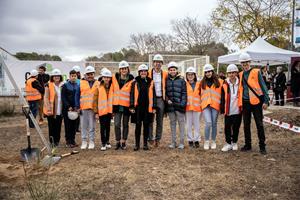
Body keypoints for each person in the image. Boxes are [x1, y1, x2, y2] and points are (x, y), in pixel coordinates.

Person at [238, 53, 269, 155]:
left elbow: (263, 86)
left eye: (246, 62)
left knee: (259, 124)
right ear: (241, 64)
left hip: (256, 102)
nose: (245, 64)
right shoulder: (241, 74)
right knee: (246, 125)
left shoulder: (256, 72)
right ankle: (248, 144)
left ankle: (262, 146)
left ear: (249, 62)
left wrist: (266, 100)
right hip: (245, 102)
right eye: (243, 63)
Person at [129, 64, 156, 151]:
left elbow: (154, 95)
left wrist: (154, 107)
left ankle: (145, 144)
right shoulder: (135, 82)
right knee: (138, 126)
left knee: (146, 126)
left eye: (145, 71)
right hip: (138, 108)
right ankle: (137, 145)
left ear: (147, 72)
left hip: (148, 108)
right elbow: (132, 95)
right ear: (139, 72)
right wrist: (132, 106)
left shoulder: (151, 82)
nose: (143, 72)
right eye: (142, 71)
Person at [200, 64, 223, 150]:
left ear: (212, 72)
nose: (208, 73)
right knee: (208, 123)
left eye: (209, 71)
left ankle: (213, 141)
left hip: (215, 105)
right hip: (206, 105)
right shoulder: (202, 83)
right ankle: (206, 141)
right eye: (206, 72)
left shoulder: (220, 82)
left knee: (214, 124)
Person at [112, 60, 134, 150]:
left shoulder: (132, 79)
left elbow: (133, 93)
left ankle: (124, 141)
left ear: (128, 69)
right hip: (117, 106)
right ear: (119, 70)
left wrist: (132, 106)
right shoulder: (114, 78)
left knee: (125, 124)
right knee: (117, 124)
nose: (124, 70)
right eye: (122, 69)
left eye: (125, 68)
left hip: (126, 106)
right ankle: (117, 141)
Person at [75, 66, 99, 150]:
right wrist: (77, 107)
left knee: (92, 126)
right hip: (83, 108)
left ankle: (91, 141)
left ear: (94, 74)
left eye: (91, 74)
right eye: (88, 74)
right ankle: (84, 141)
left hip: (93, 109)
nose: (90, 76)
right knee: (83, 126)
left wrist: (98, 110)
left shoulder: (97, 83)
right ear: (85, 75)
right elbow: (77, 95)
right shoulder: (81, 83)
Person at [220, 64, 242, 152]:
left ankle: (235, 142)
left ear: (236, 73)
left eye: (233, 72)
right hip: (228, 110)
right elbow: (222, 97)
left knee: (236, 127)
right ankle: (228, 143)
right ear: (227, 74)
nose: (232, 74)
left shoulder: (240, 83)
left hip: (238, 110)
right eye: (230, 73)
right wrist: (222, 109)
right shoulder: (224, 84)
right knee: (227, 128)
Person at [148, 54, 168, 147]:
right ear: (153, 63)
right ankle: (150, 138)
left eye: (159, 62)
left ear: (162, 64)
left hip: (160, 99)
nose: (157, 64)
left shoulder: (165, 73)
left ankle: (158, 139)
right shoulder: (148, 73)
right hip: (151, 99)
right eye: (156, 62)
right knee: (150, 120)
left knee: (159, 121)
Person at [166, 62, 187, 149]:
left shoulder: (182, 80)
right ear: (168, 71)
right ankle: (173, 142)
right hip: (171, 107)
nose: (172, 71)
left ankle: (181, 143)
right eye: (170, 70)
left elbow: (184, 93)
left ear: (176, 70)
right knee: (172, 124)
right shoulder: (166, 80)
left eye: (174, 70)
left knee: (181, 124)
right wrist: (167, 100)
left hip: (179, 106)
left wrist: (182, 104)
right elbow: (165, 92)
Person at [43, 69, 64, 147]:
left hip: (60, 110)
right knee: (51, 127)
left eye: (58, 76)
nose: (56, 77)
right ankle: (52, 142)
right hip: (51, 111)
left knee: (58, 127)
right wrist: (48, 109)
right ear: (52, 77)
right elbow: (46, 98)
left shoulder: (63, 85)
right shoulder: (48, 85)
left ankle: (57, 141)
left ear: (60, 76)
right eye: (55, 76)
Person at [95, 69, 113, 151]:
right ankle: (103, 143)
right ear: (102, 77)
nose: (106, 79)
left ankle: (107, 141)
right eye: (105, 77)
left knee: (108, 127)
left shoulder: (112, 86)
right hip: (102, 111)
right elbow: (95, 100)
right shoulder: (99, 87)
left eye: (108, 77)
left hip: (109, 111)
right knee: (103, 127)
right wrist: (96, 112)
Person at [62, 70, 80, 148]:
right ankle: (68, 141)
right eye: (72, 76)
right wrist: (68, 106)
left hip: (75, 108)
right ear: (69, 77)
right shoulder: (65, 85)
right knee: (68, 125)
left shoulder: (78, 85)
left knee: (74, 126)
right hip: (67, 109)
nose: (73, 77)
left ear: (77, 76)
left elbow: (79, 97)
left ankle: (73, 140)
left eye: (75, 76)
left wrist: (77, 106)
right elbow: (63, 97)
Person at [185, 67, 201, 148]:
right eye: (188, 74)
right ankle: (190, 140)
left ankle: (197, 140)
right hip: (188, 107)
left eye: (192, 74)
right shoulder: (184, 84)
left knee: (197, 124)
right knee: (188, 124)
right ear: (186, 75)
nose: (190, 76)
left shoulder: (199, 84)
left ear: (194, 75)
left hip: (197, 107)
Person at [72, 65, 81, 132]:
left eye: (78, 72)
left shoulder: (80, 81)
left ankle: (76, 128)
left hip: (78, 100)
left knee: (77, 115)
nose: (77, 74)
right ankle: (75, 128)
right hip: (73, 100)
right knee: (74, 115)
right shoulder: (69, 81)